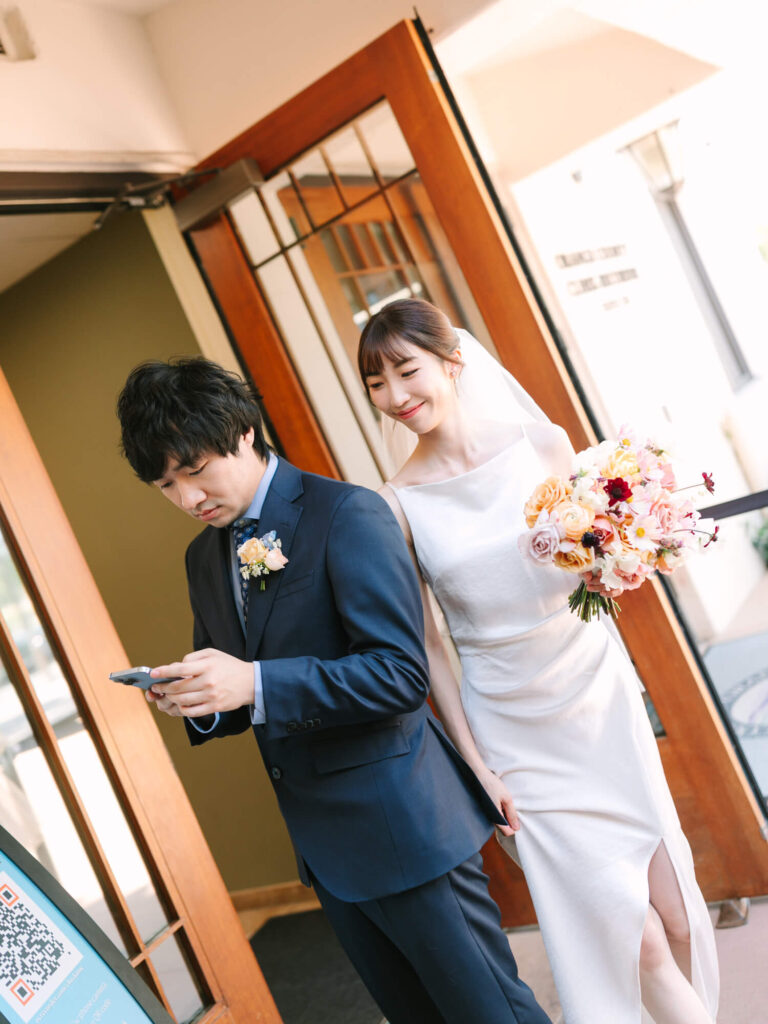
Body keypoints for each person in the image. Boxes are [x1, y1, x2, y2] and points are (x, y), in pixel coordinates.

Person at [116, 356, 552, 1024]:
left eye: (195, 470)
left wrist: (253, 682)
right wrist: (197, 698)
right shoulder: (202, 556)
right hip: (326, 850)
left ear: (245, 430)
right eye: (165, 484)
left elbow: (401, 674)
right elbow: (238, 679)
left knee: (492, 1015)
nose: (187, 498)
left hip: (408, 829)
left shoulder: (345, 513)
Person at [358, 298, 720, 1024]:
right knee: (634, 936)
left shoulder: (543, 446)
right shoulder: (396, 503)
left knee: (676, 918)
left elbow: (595, 563)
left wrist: (621, 555)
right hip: (511, 731)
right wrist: (476, 764)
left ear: (452, 360)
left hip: (596, 696)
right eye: (375, 383)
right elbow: (430, 644)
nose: (395, 396)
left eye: (406, 369)